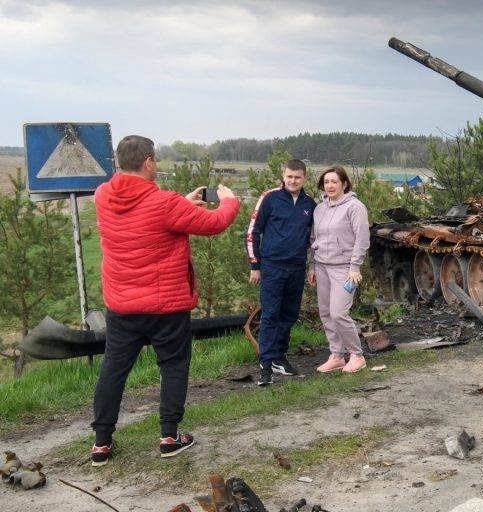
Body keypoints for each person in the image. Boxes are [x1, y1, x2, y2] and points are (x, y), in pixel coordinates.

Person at [90, 135, 240, 467]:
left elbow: (148, 214)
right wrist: (229, 201)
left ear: (119, 163)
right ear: (148, 162)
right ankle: (170, 437)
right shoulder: (165, 203)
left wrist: (183, 203)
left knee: (113, 370)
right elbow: (214, 223)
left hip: (122, 305)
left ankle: (101, 443)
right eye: (155, 160)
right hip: (165, 307)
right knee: (172, 367)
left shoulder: (102, 196)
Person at [246, 159, 317, 386]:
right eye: (289, 176)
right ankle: (265, 363)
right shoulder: (270, 198)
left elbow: (313, 237)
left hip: (296, 267)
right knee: (270, 314)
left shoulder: (310, 204)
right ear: (283, 176)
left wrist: (311, 266)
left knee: (289, 314)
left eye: (297, 177)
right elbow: (252, 232)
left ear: (304, 178)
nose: (293, 181)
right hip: (272, 267)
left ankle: (279, 357)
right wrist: (255, 265)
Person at [309, 166, 371, 373]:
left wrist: (355, 267)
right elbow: (313, 239)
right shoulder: (319, 209)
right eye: (326, 182)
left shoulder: (355, 207)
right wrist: (312, 266)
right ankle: (336, 355)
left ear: (344, 184)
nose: (330, 186)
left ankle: (357, 355)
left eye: (334, 182)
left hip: (345, 269)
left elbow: (362, 239)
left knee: (338, 313)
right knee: (326, 313)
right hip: (321, 267)